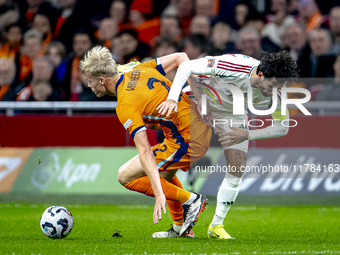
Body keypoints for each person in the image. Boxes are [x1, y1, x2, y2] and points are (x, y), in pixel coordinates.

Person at [157, 50, 299, 239]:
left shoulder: (277, 90)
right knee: (168, 170)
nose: (274, 91)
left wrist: (247, 134)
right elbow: (186, 66)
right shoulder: (235, 65)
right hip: (201, 96)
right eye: (272, 85)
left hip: (232, 113)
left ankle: (216, 227)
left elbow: (283, 126)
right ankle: (178, 227)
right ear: (261, 74)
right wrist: (172, 99)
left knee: (237, 167)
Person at [79, 46, 211, 238]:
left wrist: (158, 193)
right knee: (163, 175)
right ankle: (179, 228)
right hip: (190, 128)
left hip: (189, 141)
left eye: (90, 82)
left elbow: (145, 151)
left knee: (125, 176)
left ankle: (191, 200)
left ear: (102, 80)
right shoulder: (137, 68)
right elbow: (181, 58)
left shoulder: (125, 104)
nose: (89, 86)